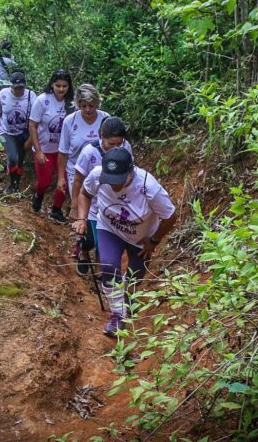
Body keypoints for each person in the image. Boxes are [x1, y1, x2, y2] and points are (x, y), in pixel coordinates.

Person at [72, 147, 177, 337]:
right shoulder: (97, 175)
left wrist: (154, 241)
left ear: (131, 172)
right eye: (110, 181)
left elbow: (170, 216)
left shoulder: (148, 187)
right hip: (109, 228)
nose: (113, 186)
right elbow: (85, 193)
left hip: (141, 238)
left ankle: (128, 300)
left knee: (134, 277)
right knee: (109, 266)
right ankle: (118, 316)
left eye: (118, 181)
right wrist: (82, 218)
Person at [71, 116, 132, 275]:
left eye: (119, 143)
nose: (116, 148)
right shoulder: (89, 152)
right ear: (101, 137)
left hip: (113, 205)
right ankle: (83, 252)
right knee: (89, 239)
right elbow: (78, 181)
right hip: (92, 205)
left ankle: (102, 271)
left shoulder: (126, 149)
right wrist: (75, 208)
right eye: (111, 144)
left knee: (102, 243)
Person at [28, 69, 75, 222]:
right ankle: (39, 195)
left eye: (64, 86)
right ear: (52, 85)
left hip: (63, 151)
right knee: (45, 181)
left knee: (65, 181)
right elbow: (33, 125)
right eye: (58, 85)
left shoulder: (72, 103)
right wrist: (38, 151)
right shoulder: (42, 100)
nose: (61, 89)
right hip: (45, 149)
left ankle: (56, 209)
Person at [57, 84, 109, 220]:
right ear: (78, 104)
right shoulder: (70, 121)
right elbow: (63, 152)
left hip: (100, 169)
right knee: (82, 203)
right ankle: (83, 234)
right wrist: (61, 177)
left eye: (91, 105)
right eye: (84, 105)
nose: (88, 109)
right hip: (75, 170)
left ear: (97, 103)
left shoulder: (105, 119)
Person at [0, 71, 35, 194]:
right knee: (13, 158)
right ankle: (11, 182)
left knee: (20, 160)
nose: (19, 90)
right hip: (6, 131)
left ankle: (16, 183)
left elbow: (35, 119)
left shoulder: (31, 96)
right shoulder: (3, 94)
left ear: (25, 85)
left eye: (21, 87)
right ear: (11, 86)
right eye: (16, 88)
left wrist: (31, 138)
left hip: (23, 133)